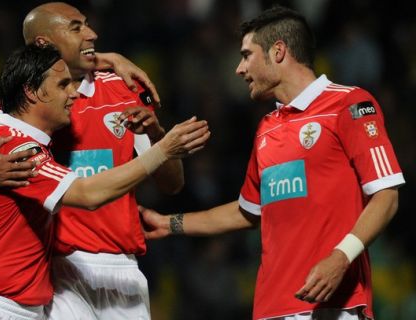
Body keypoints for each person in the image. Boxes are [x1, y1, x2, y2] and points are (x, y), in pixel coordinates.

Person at [140, 6, 405, 320]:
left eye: (246, 55)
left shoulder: (349, 104)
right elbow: (249, 211)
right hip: (272, 307)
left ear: (278, 52)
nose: (239, 68)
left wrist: (341, 257)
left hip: (334, 304)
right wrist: (170, 223)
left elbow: (387, 195)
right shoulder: (268, 126)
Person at [0, 2, 187, 319]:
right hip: (58, 274)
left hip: (121, 267)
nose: (91, 33)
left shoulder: (124, 90)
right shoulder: (13, 116)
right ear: (43, 43)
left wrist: (157, 137)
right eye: (76, 27)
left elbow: (173, 184)